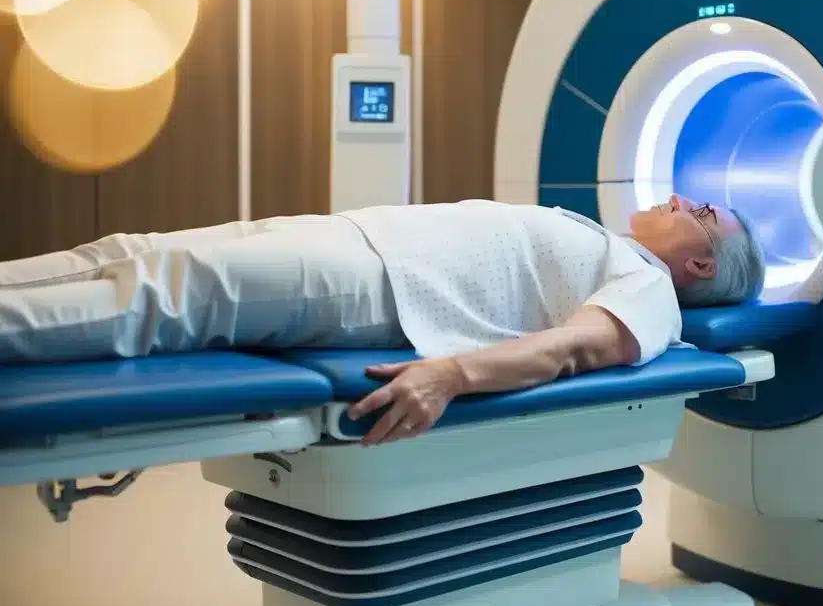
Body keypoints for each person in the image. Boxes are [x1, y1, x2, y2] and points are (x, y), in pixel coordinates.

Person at [0, 195, 766, 444]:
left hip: (375, 285)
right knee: (128, 252)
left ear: (699, 266)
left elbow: (576, 349)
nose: (680, 198)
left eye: (701, 214)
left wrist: (452, 374)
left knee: (165, 295)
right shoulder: (611, 242)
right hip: (355, 237)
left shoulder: (649, 292)